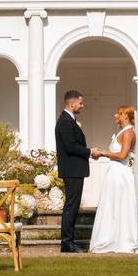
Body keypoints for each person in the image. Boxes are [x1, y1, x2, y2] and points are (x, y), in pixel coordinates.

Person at [88, 105, 138, 254]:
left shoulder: (129, 132)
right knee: (111, 204)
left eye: (119, 113)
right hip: (114, 172)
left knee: (119, 204)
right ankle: (110, 236)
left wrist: (103, 152)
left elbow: (123, 155)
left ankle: (121, 240)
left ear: (125, 116)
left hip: (120, 174)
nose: (115, 115)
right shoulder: (123, 131)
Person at [54, 90, 101, 253]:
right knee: (71, 206)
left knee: (72, 206)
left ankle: (69, 242)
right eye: (80, 103)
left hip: (74, 169)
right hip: (72, 170)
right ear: (72, 104)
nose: (82, 106)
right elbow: (70, 146)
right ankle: (67, 243)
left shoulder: (69, 120)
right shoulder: (66, 121)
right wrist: (89, 152)